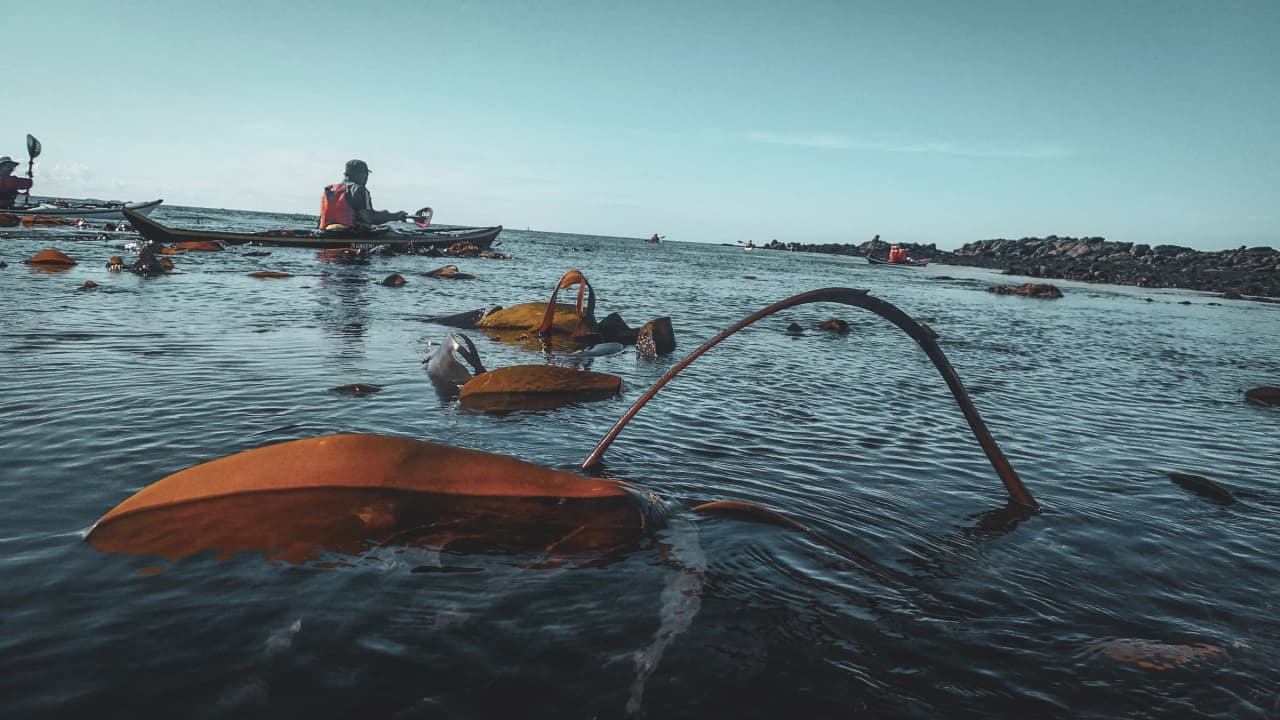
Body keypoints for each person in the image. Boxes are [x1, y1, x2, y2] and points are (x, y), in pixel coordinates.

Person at [318, 159, 407, 231]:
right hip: (352, 235)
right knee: (389, 231)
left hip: (326, 234)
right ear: (358, 174)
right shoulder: (359, 189)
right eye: (366, 174)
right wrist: (395, 216)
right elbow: (370, 218)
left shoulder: (329, 190)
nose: (366, 178)